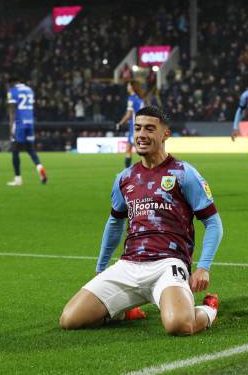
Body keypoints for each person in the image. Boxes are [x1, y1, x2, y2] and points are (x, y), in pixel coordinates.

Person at [60, 106, 223, 335]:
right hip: (129, 265)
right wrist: (101, 267)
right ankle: (125, 311)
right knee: (70, 320)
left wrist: (203, 267)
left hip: (168, 265)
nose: (141, 135)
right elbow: (115, 224)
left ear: (165, 134)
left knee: (179, 326)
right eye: (137, 129)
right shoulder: (124, 178)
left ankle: (208, 308)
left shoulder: (184, 173)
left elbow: (214, 224)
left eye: (149, 129)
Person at [6, 76, 47, 186]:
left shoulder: (12, 91)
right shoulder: (29, 90)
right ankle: (40, 168)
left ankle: (18, 178)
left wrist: (11, 126)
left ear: (12, 83)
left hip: (19, 123)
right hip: (30, 122)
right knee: (30, 149)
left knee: (15, 150)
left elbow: (12, 110)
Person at [119, 80, 145, 168]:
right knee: (130, 148)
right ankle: (128, 172)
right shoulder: (140, 98)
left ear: (132, 87)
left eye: (128, 85)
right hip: (142, 126)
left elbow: (129, 114)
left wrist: (121, 123)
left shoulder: (131, 99)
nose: (127, 87)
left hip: (135, 127)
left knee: (135, 149)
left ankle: (150, 170)